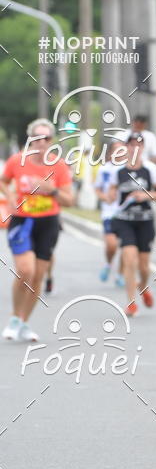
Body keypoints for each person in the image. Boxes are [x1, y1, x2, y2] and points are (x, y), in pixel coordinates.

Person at [0, 118, 75, 341]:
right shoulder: (17, 161)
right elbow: (3, 181)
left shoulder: (59, 166)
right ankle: (14, 317)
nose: (42, 142)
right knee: (25, 270)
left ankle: (24, 322)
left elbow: (70, 200)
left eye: (47, 138)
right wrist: (11, 196)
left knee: (38, 276)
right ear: (30, 139)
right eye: (37, 138)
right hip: (22, 222)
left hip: (48, 223)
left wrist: (50, 190)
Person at [108, 133, 156, 317]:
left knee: (144, 266)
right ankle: (131, 303)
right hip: (124, 221)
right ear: (127, 148)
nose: (135, 148)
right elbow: (111, 192)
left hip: (145, 221)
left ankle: (143, 286)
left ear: (143, 148)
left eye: (139, 145)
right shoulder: (118, 171)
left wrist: (145, 195)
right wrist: (108, 196)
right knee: (130, 259)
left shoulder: (150, 170)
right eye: (132, 145)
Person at [94, 140, 125, 286]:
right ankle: (108, 264)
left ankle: (120, 274)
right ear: (111, 153)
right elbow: (98, 189)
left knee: (126, 246)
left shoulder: (130, 169)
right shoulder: (104, 169)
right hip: (109, 213)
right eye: (116, 151)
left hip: (126, 213)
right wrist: (105, 197)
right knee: (112, 245)